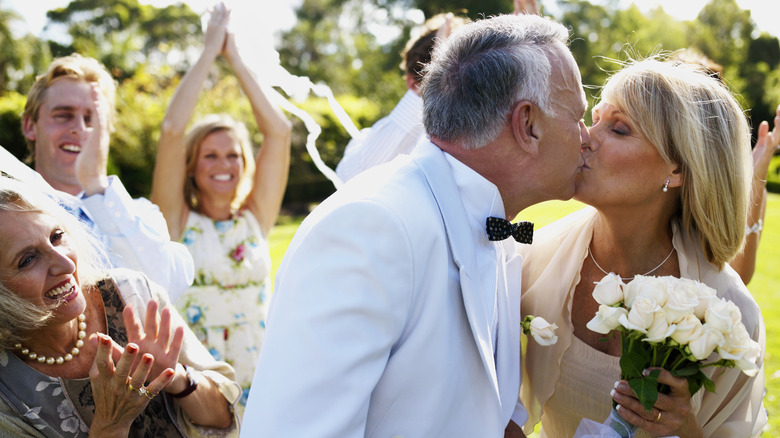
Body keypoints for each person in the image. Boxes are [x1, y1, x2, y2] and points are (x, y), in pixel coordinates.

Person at [242, 13, 589, 437]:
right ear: (529, 125)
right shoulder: (372, 226)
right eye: (578, 117)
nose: (587, 137)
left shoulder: (496, 221)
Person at [518, 58, 766, 437]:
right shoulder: (533, 261)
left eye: (618, 129)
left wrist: (685, 428)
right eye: (594, 118)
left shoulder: (726, 317)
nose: (586, 136)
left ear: (678, 169)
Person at [0, 176, 241, 436]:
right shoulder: (7, 393)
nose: (66, 265)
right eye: (28, 259)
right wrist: (111, 424)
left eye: (57, 236)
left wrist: (176, 378)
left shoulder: (132, 295)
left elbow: (224, 420)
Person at [150, 2, 292, 413]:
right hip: (200, 384)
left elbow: (279, 132)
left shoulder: (255, 219)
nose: (224, 165)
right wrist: (209, 51)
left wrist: (237, 60)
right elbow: (172, 130)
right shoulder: (175, 222)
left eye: (233, 155)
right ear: (191, 167)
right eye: (210, 156)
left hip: (265, 375)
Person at [16, 53, 194, 301]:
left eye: (92, 119)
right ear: (30, 126)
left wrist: (96, 186)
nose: (78, 127)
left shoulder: (141, 216)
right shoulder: (9, 217)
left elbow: (161, 291)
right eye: (63, 115)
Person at [334, 12, 467, 183]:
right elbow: (353, 178)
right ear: (414, 84)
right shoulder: (366, 141)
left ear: (410, 81)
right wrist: (437, 78)